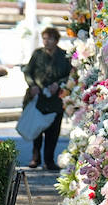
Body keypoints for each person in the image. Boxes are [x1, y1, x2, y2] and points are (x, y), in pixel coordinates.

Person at [23, 27, 72, 170]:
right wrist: (32, 85)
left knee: (53, 130)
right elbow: (28, 72)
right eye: (44, 38)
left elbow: (70, 74)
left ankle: (49, 160)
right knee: (36, 128)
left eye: (50, 39)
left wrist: (59, 84)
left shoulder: (64, 56)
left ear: (56, 40)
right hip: (39, 96)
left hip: (56, 98)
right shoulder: (38, 54)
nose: (46, 41)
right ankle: (35, 158)